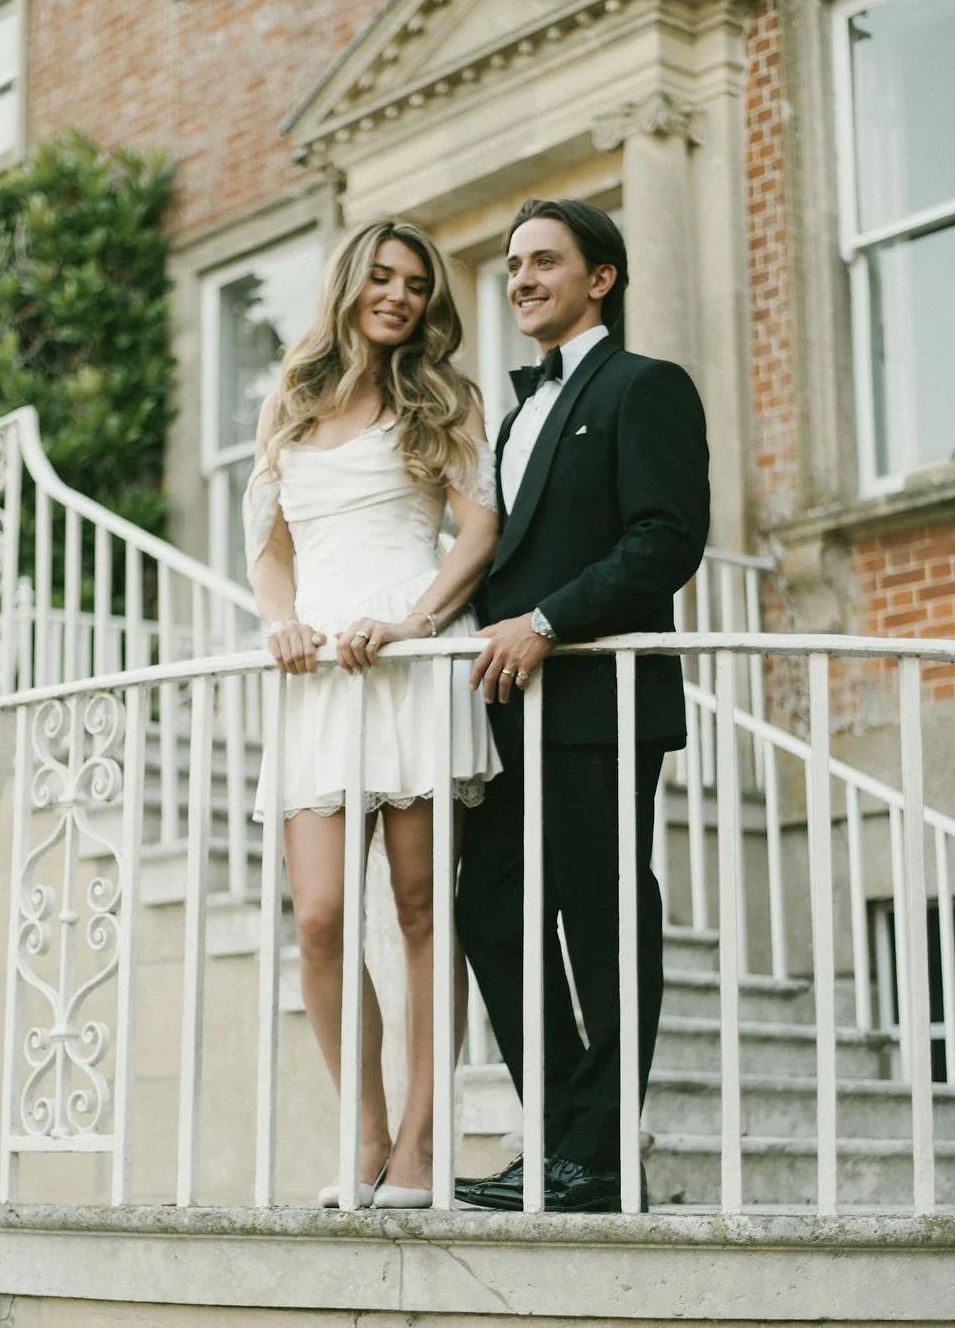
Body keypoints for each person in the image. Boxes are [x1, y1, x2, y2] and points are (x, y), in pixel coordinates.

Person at [453, 198, 710, 1214]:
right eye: (512, 264)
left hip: (599, 704)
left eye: (542, 262)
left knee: (600, 921)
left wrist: (549, 621)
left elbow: (663, 538)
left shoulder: (646, 387)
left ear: (599, 278)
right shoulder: (516, 415)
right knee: (488, 910)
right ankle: (568, 1138)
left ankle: (597, 1159)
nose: (519, 278)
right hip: (509, 713)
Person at [243, 219, 501, 1210]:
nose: (397, 295)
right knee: (316, 919)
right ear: (351, 283)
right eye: (382, 277)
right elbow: (267, 547)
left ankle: (426, 1149)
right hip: (318, 677)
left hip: (410, 656)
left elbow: (478, 527)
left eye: (415, 284)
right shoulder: (291, 400)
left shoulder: (443, 398)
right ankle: (368, 1133)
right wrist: (278, 623)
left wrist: (415, 620)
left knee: (421, 907)